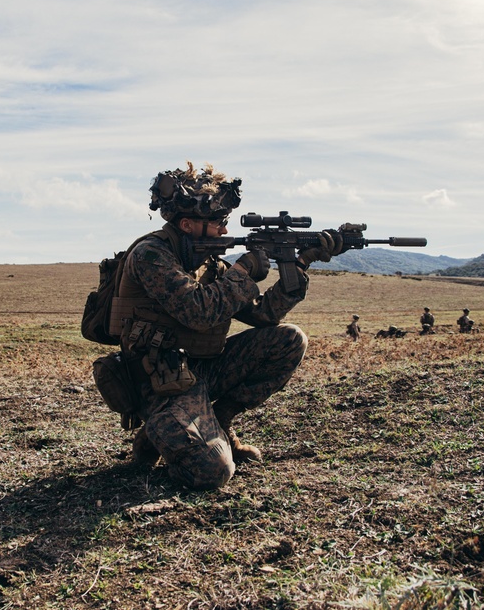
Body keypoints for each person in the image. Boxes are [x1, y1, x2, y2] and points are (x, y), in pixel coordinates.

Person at [112, 162, 343, 489]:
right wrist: (244, 269)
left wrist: (300, 262)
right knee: (213, 470)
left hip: (202, 370)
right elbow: (198, 312)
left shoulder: (210, 265)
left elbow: (264, 316)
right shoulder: (151, 255)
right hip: (158, 381)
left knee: (289, 340)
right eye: (218, 223)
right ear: (189, 224)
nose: (224, 231)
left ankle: (220, 420)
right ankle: (160, 430)